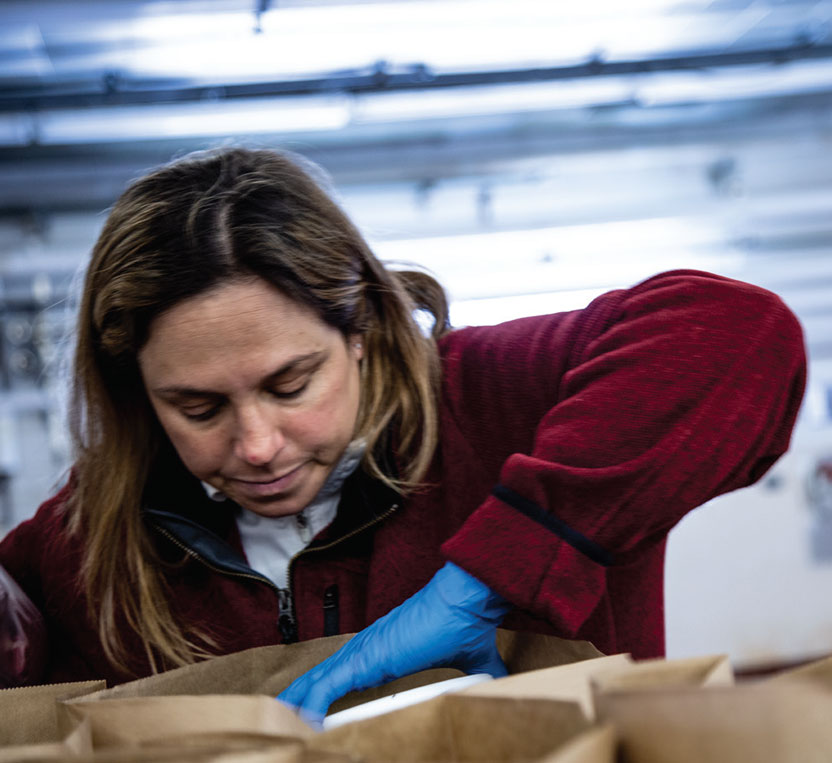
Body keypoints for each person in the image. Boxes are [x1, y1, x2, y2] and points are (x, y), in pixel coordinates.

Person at [0, 148, 806, 718]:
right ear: (137, 392)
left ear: (360, 330)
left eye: (292, 384)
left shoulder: (494, 398)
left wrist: (485, 579)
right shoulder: (85, 544)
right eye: (198, 408)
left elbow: (741, 330)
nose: (256, 443)